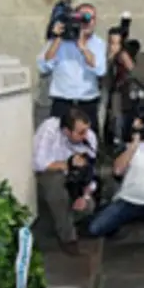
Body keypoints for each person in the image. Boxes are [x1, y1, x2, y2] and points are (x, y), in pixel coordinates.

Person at [33, 108, 98, 256]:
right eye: (80, 133)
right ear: (66, 131)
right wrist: (68, 164)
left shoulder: (90, 138)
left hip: (75, 181)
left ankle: (59, 222)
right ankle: (68, 238)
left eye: (86, 131)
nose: (84, 136)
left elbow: (91, 173)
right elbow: (39, 164)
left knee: (88, 207)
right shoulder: (49, 129)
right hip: (51, 174)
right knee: (56, 187)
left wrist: (85, 196)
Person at [37, 3, 106, 137]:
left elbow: (100, 69)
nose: (88, 22)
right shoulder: (59, 41)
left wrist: (82, 47)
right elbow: (43, 65)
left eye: (92, 18)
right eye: (84, 18)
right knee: (57, 144)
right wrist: (58, 38)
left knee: (89, 146)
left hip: (87, 102)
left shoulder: (98, 43)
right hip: (63, 101)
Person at [102, 26, 144, 152]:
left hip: (137, 109)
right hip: (118, 112)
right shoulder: (111, 62)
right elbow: (106, 85)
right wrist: (109, 63)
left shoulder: (139, 57)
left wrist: (130, 66)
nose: (113, 47)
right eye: (111, 43)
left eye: (116, 43)